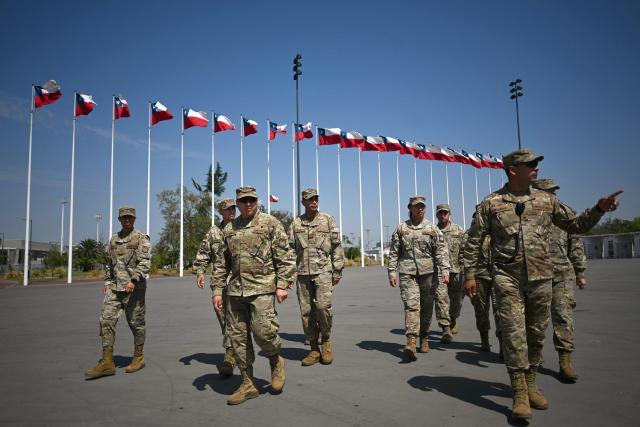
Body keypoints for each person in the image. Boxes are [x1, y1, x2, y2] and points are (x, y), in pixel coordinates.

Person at [462, 148, 622, 422]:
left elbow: (576, 225)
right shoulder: (491, 204)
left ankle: (532, 381)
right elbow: (474, 241)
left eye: (537, 163)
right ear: (513, 169)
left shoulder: (547, 201)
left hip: (541, 277)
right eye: (531, 164)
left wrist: (598, 209)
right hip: (506, 277)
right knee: (513, 334)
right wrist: (470, 275)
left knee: (536, 333)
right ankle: (520, 392)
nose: (537, 167)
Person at [212, 186, 296, 405]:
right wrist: (217, 290)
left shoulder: (270, 223)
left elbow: (285, 257)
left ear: (257, 201)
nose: (248, 204)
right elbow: (221, 263)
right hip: (235, 292)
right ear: (237, 204)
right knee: (238, 340)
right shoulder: (229, 228)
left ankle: (276, 361)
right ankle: (248, 384)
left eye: (251, 200)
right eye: (243, 201)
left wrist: (283, 284)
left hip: (262, 288)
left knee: (264, 333)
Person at [85, 206, 151, 379]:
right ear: (119, 220)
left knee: (136, 324)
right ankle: (107, 362)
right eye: (124, 218)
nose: (127, 220)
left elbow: (145, 263)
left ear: (134, 219)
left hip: (133, 289)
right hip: (115, 289)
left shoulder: (141, 238)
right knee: (105, 320)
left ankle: (138, 357)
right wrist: (107, 282)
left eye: (130, 217)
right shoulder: (114, 239)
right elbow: (109, 264)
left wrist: (134, 280)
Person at [533, 178, 587, 382]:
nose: (552, 195)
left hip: (562, 274)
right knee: (537, 321)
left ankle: (565, 361)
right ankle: (534, 357)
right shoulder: (528, 215)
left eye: (553, 192)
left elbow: (576, 243)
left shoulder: (566, 213)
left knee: (563, 317)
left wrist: (580, 272)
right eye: (547, 192)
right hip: (536, 276)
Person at [387, 195, 451, 361]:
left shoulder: (431, 228)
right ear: (410, 208)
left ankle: (424, 336)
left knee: (427, 308)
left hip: (428, 274)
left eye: (422, 206)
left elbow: (441, 250)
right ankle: (411, 341)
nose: (420, 209)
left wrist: (445, 270)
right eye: (417, 206)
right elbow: (394, 252)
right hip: (408, 274)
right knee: (412, 306)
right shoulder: (401, 229)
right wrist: (392, 271)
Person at [289, 188, 344, 366]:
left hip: (323, 272)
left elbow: (337, 246)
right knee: (306, 313)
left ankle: (326, 342)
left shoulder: (327, 220)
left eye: (315, 198)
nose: (313, 201)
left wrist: (337, 270)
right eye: (309, 199)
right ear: (303, 202)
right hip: (303, 273)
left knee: (322, 307)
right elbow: (289, 250)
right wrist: (287, 275)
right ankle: (313, 349)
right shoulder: (296, 223)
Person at [193, 198, 237, 378]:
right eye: (228, 209)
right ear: (221, 212)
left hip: (238, 281)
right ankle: (231, 350)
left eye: (233, 208)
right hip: (219, 283)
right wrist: (200, 271)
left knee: (236, 318)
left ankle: (232, 354)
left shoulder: (241, 228)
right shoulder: (214, 232)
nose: (232, 211)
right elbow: (203, 253)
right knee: (223, 317)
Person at [461, 213, 501, 353]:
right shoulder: (470, 235)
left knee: (501, 310)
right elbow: (465, 254)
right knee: (481, 310)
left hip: (499, 276)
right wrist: (468, 277)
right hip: (479, 276)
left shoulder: (500, 231)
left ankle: (504, 343)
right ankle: (484, 339)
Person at [435, 203, 465, 335]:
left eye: (445, 213)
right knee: (441, 299)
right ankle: (445, 327)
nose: (443, 215)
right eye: (440, 213)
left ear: (449, 215)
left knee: (456, 301)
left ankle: (453, 319)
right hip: (439, 272)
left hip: (456, 271)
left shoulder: (458, 230)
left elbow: (466, 249)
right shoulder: (433, 231)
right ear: (437, 215)